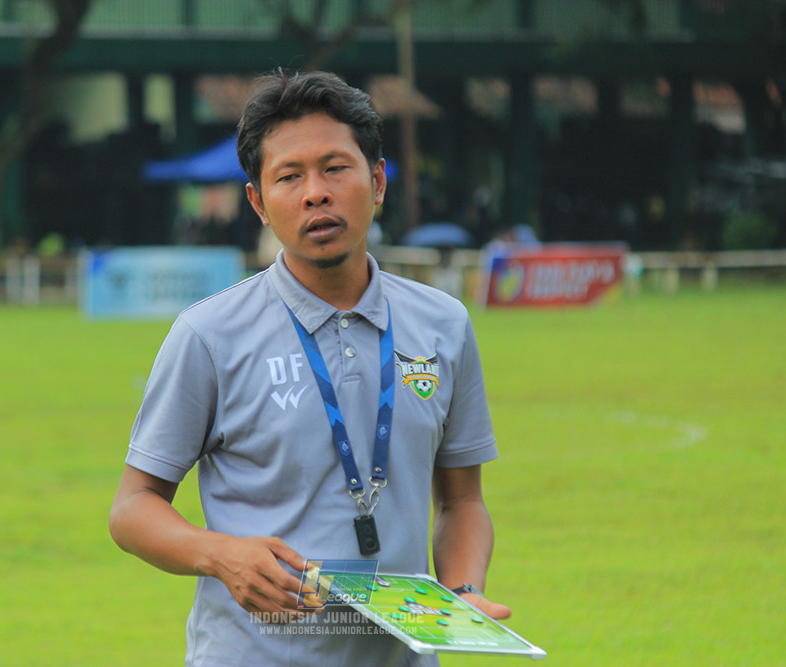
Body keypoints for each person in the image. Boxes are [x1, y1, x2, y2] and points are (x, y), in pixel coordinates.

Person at [109, 70, 510, 666]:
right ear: (259, 203)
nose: (314, 192)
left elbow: (462, 503)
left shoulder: (443, 324)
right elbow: (133, 508)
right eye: (289, 176)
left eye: (335, 168)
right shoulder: (208, 335)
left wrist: (463, 590)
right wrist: (220, 554)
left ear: (376, 182)